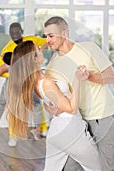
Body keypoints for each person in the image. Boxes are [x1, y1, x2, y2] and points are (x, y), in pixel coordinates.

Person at [7, 40, 101, 171]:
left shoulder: (36, 80)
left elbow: (51, 102)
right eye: (38, 49)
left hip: (57, 131)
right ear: (33, 60)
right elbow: (72, 109)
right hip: (71, 130)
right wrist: (77, 79)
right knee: (99, 168)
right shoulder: (45, 83)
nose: (42, 50)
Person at [43, 16, 114, 171]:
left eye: (51, 35)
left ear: (64, 33)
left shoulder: (89, 48)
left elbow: (111, 77)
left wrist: (89, 76)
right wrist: (52, 108)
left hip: (102, 116)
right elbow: (56, 94)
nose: (48, 40)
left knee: (109, 166)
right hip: (76, 122)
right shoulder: (53, 64)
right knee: (72, 167)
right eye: (46, 36)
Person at [0, 22, 48, 147]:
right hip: (12, 82)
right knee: (5, 107)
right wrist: (4, 70)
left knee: (36, 102)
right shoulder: (7, 49)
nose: (14, 35)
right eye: (12, 33)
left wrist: (39, 52)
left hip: (28, 80)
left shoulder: (31, 41)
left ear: (22, 31)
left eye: (17, 32)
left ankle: (38, 130)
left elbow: (46, 42)